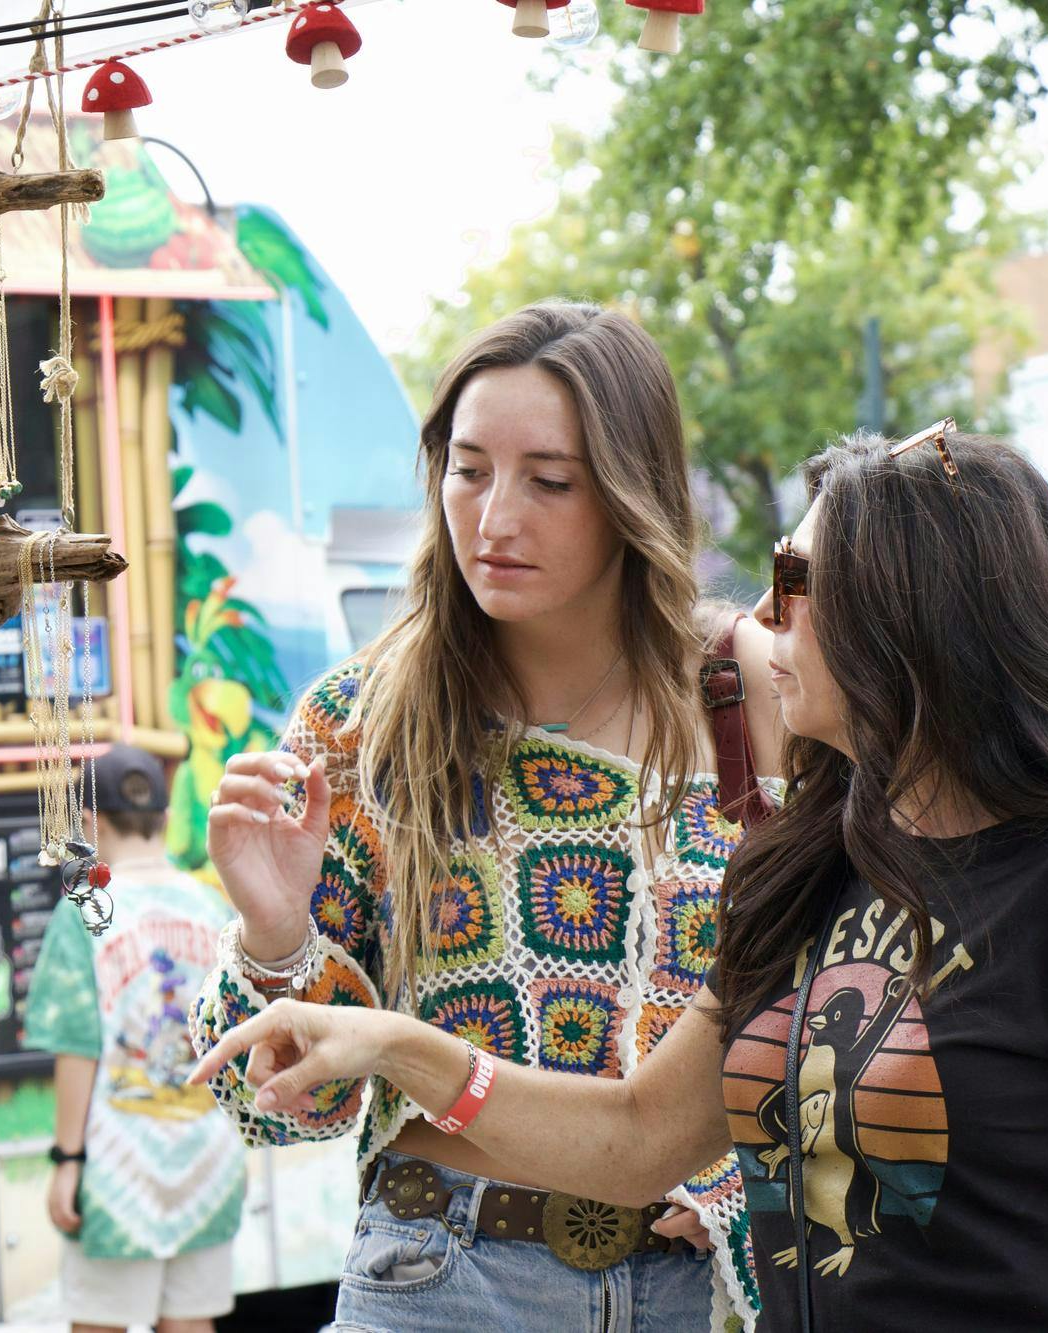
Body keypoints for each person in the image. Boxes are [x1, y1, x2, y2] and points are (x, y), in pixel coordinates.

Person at [193, 429, 1048, 1332]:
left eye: (796, 583)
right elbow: (632, 1139)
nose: (760, 618)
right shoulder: (812, 869)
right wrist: (393, 1044)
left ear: (911, 610)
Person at [186, 302, 781, 1332]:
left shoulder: (744, 697)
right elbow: (276, 1108)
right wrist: (275, 935)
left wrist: (739, 1172)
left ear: (630, 493)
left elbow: (833, 997)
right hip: (445, 1273)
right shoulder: (363, 722)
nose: (495, 517)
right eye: (468, 469)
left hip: (699, 1293)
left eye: (549, 480)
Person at [26, 745, 245, 1333]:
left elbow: (79, 1048)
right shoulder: (215, 907)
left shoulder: (84, 912)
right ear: (168, 820)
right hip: (209, 1164)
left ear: (91, 823)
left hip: (117, 1174)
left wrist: (67, 1160)